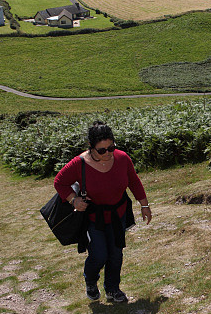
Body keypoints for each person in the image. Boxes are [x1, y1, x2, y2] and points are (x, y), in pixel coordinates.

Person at [53, 121, 152, 303]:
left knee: (116, 254)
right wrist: (73, 200)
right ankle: (91, 280)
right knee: (99, 255)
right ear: (91, 147)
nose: (107, 153)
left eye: (111, 147)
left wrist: (144, 205)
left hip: (117, 214)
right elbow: (59, 182)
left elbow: (134, 181)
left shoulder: (122, 158)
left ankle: (113, 289)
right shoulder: (79, 163)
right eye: (101, 150)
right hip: (93, 217)